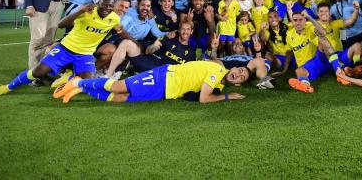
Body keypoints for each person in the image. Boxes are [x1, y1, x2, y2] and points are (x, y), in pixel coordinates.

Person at [0, 0, 123, 97]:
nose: (107, 8)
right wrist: (80, 12)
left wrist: (133, 42)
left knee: (89, 84)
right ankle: (7, 87)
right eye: (103, 5)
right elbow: (61, 25)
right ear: (97, 3)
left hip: (85, 55)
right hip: (65, 49)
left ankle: (68, 78)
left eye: (110, 6)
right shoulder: (87, 12)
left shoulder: (114, 18)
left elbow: (121, 30)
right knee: (38, 72)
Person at [53, 59, 248, 104]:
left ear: (238, 83)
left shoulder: (219, 84)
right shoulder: (217, 71)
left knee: (122, 98)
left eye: (241, 77)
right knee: (120, 86)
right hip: (164, 77)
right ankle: (76, 82)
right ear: (233, 67)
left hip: (166, 92)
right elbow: (204, 99)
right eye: (239, 70)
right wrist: (227, 97)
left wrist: (223, 92)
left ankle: (81, 89)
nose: (238, 75)